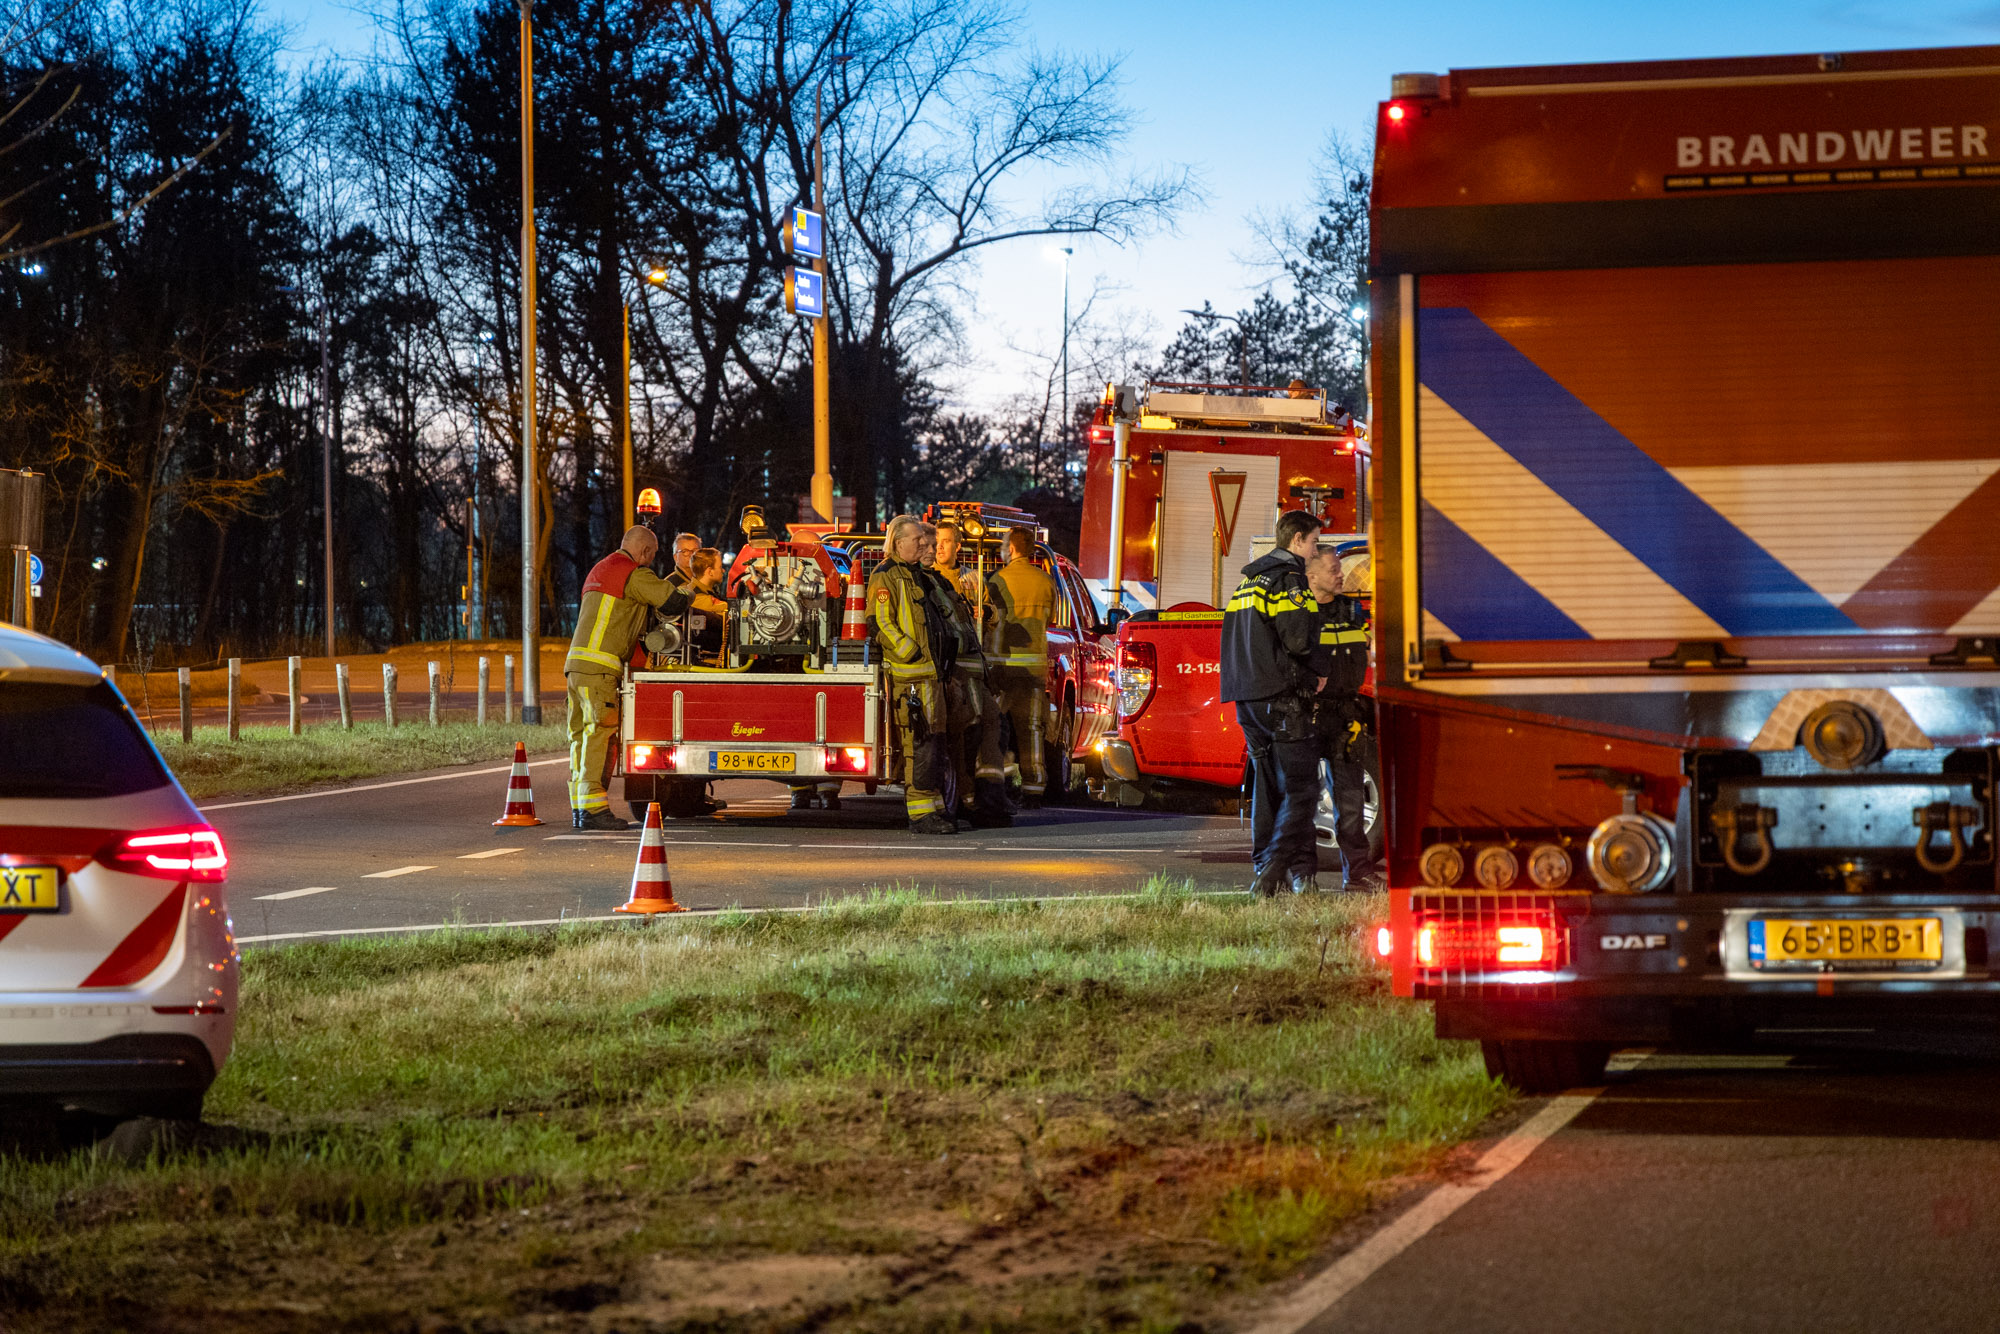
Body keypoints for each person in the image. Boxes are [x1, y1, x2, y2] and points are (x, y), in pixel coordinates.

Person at [564, 525, 724, 830]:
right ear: (646, 551)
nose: (651, 562)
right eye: (652, 556)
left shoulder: (600, 570)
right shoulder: (634, 574)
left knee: (581, 736)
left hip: (576, 666)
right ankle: (594, 810)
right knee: (600, 734)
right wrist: (692, 586)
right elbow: (672, 603)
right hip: (601, 669)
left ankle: (580, 807)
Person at [1220, 509, 1324, 896]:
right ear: (1296, 539)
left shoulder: (1249, 581)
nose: (1315, 551)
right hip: (1280, 697)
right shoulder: (1289, 579)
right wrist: (1319, 669)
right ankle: (1282, 873)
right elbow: (1298, 639)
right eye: (1313, 542)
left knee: (1266, 788)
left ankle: (1266, 865)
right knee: (1300, 789)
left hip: (1246, 698)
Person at [868, 514, 956, 834]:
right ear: (897, 542)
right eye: (916, 539)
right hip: (910, 676)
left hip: (929, 675)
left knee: (933, 743)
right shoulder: (886, 575)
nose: (923, 543)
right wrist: (910, 652)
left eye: (923, 539)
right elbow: (881, 623)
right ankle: (920, 815)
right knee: (918, 744)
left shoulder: (915, 574)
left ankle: (933, 807)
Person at [1305, 544, 1382, 891]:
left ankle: (1359, 874)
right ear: (1311, 575)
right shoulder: (1299, 614)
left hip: (1346, 715)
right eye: (1333, 569)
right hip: (1310, 713)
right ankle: (1301, 877)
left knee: (1350, 799)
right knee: (1301, 801)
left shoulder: (1351, 609)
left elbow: (1366, 652)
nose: (1341, 574)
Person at [923, 521, 1011, 826]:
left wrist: (986, 613)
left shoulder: (972, 579)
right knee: (962, 736)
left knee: (989, 726)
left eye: (947, 542)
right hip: (952, 672)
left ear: (958, 546)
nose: (940, 547)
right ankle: (972, 799)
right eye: (937, 541)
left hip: (974, 673)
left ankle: (987, 799)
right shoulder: (928, 579)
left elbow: (992, 620)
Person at [986, 527, 1056, 807]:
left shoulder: (996, 580)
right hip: (1035, 668)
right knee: (1032, 730)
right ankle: (1034, 788)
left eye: (1004, 545)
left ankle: (995, 785)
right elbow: (1048, 621)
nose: (1002, 550)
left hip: (1002, 667)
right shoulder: (1045, 581)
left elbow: (988, 622)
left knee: (994, 728)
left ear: (1011, 549)